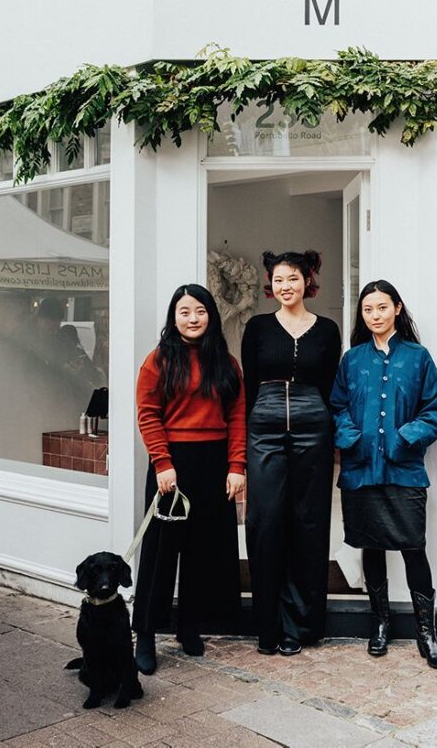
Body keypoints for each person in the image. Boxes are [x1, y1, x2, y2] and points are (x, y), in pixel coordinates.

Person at [331, 279, 437, 667]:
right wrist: (352, 439)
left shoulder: (418, 357)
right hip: (361, 472)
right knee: (372, 546)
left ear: (397, 308)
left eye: (382, 307)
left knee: (414, 547)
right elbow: (338, 407)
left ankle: (425, 633)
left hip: (404, 472)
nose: (375, 315)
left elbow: (435, 410)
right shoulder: (352, 359)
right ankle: (379, 624)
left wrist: (403, 439)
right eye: (368, 309)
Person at [132, 284, 246, 673]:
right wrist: (162, 463)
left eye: (199, 311)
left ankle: (189, 625)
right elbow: (148, 414)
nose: (193, 318)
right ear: (174, 317)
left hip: (215, 463)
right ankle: (145, 633)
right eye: (184, 312)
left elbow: (236, 417)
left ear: (210, 315)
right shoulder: (158, 360)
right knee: (161, 552)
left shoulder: (226, 363)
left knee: (203, 550)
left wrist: (236, 466)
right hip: (173, 465)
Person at [241, 250, 341, 656]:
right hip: (263, 428)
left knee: (309, 522)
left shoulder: (328, 330)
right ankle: (268, 625)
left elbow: (333, 386)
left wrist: (334, 440)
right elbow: (249, 386)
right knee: (265, 522)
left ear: (308, 282)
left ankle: (301, 625)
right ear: (271, 284)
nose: (286, 286)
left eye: (293, 279)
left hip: (314, 428)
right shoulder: (258, 327)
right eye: (279, 280)